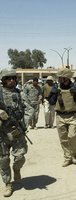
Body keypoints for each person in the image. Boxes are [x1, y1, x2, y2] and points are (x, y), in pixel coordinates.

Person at [48, 68, 76, 167]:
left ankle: (73, 154)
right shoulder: (56, 88)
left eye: (62, 78)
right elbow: (51, 102)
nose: (60, 80)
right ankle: (67, 157)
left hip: (72, 115)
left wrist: (75, 95)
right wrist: (55, 94)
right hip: (60, 116)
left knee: (72, 136)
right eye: (59, 78)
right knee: (63, 138)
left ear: (68, 78)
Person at [0, 68, 28, 197]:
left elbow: (29, 109)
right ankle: (8, 184)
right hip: (1, 133)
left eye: (13, 78)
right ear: (3, 80)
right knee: (4, 160)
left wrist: (24, 124)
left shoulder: (20, 93)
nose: (11, 80)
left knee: (20, 157)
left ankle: (17, 169)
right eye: (8, 78)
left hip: (16, 131)